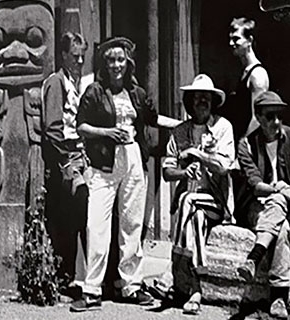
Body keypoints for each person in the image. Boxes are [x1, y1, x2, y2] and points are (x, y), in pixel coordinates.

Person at [70, 36, 180, 312]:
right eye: (110, 60)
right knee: (97, 225)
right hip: (103, 163)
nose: (116, 65)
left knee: (131, 224)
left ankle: (130, 285)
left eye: (120, 59)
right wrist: (107, 133)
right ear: (104, 64)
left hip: (132, 158)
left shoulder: (137, 93)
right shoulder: (94, 91)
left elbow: (153, 120)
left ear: (128, 62)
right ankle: (92, 290)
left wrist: (183, 124)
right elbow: (81, 126)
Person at [236, 91, 290, 319]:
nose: (277, 122)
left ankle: (254, 256)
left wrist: (288, 191)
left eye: (279, 116)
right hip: (257, 207)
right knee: (280, 229)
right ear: (259, 117)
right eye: (270, 116)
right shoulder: (247, 145)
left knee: (280, 202)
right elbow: (255, 184)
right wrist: (281, 189)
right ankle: (279, 297)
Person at [162, 74, 235, 315]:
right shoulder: (180, 131)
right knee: (193, 215)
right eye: (196, 98)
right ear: (189, 102)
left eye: (206, 98)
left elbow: (223, 167)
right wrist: (184, 172)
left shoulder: (223, 128)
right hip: (192, 208)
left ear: (213, 102)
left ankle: (171, 273)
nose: (201, 102)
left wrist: (197, 154)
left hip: (216, 200)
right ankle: (196, 290)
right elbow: (167, 172)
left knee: (187, 200)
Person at [41, 32, 92, 294]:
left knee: (84, 214)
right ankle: (68, 276)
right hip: (65, 156)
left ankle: (82, 276)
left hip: (83, 156)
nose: (79, 61)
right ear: (62, 55)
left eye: (83, 56)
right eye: (74, 56)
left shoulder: (78, 83)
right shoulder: (55, 83)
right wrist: (65, 161)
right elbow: (52, 128)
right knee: (72, 213)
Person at [222, 16, 269, 141]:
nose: (231, 43)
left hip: (249, 146)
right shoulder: (243, 72)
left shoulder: (257, 75)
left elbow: (258, 118)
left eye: (236, 39)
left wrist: (243, 144)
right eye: (230, 39)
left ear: (249, 41)